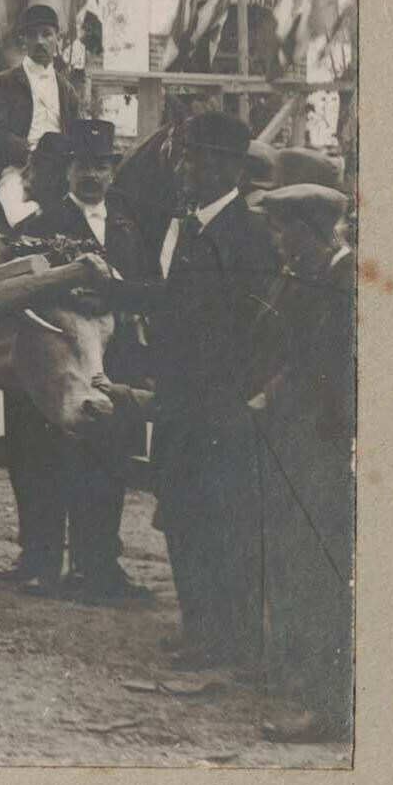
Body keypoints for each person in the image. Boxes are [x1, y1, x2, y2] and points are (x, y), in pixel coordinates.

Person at [146, 108, 286, 677]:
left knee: (224, 522)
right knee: (180, 513)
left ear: (229, 167)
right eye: (186, 155)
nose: (186, 167)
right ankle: (199, 629)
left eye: (196, 156)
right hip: (181, 402)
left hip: (218, 408)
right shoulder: (193, 228)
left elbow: (252, 328)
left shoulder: (245, 237)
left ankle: (234, 640)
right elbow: (171, 304)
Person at [17, 117, 159, 601]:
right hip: (56, 362)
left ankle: (99, 564)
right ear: (68, 169)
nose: (92, 177)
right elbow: (26, 293)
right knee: (44, 459)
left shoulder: (128, 225)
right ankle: (39, 560)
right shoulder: (40, 225)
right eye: (82, 166)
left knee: (108, 460)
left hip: (114, 360)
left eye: (101, 167)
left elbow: (149, 288)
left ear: (113, 172)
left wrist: (115, 300)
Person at [252, 181, 357, 742]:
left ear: (311, 231)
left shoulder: (346, 282)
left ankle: (328, 708)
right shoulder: (311, 277)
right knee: (304, 564)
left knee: (325, 573)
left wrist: (279, 392)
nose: (277, 243)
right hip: (304, 444)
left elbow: (331, 375)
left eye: (284, 231)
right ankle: (313, 689)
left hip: (327, 449)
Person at [0, 4, 88, 226]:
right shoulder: (4, 82)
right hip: (16, 169)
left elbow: (78, 136)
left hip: (58, 172)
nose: (39, 41)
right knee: (23, 217)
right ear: (23, 42)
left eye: (46, 34)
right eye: (32, 35)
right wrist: (29, 153)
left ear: (58, 39)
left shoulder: (67, 91)